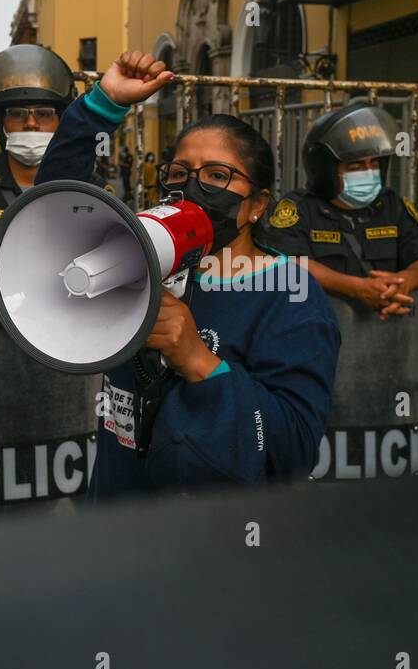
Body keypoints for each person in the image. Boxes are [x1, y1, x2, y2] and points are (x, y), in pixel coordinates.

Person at [91, 115, 341, 497]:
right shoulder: (141, 267)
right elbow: (54, 207)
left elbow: (291, 451)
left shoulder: (291, 295)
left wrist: (198, 361)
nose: (193, 188)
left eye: (217, 175)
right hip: (117, 522)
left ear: (257, 204)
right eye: (179, 173)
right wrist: (101, 106)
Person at [0, 46, 172, 303]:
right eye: (17, 114)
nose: (31, 123)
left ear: (62, 120)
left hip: (60, 335)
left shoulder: (89, 190)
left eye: (44, 114)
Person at [260, 103, 418, 319]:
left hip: (389, 339)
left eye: (374, 164)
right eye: (355, 167)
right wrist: (357, 288)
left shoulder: (391, 205)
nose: (368, 173)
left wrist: (403, 282)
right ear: (325, 169)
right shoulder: (298, 209)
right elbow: (288, 264)